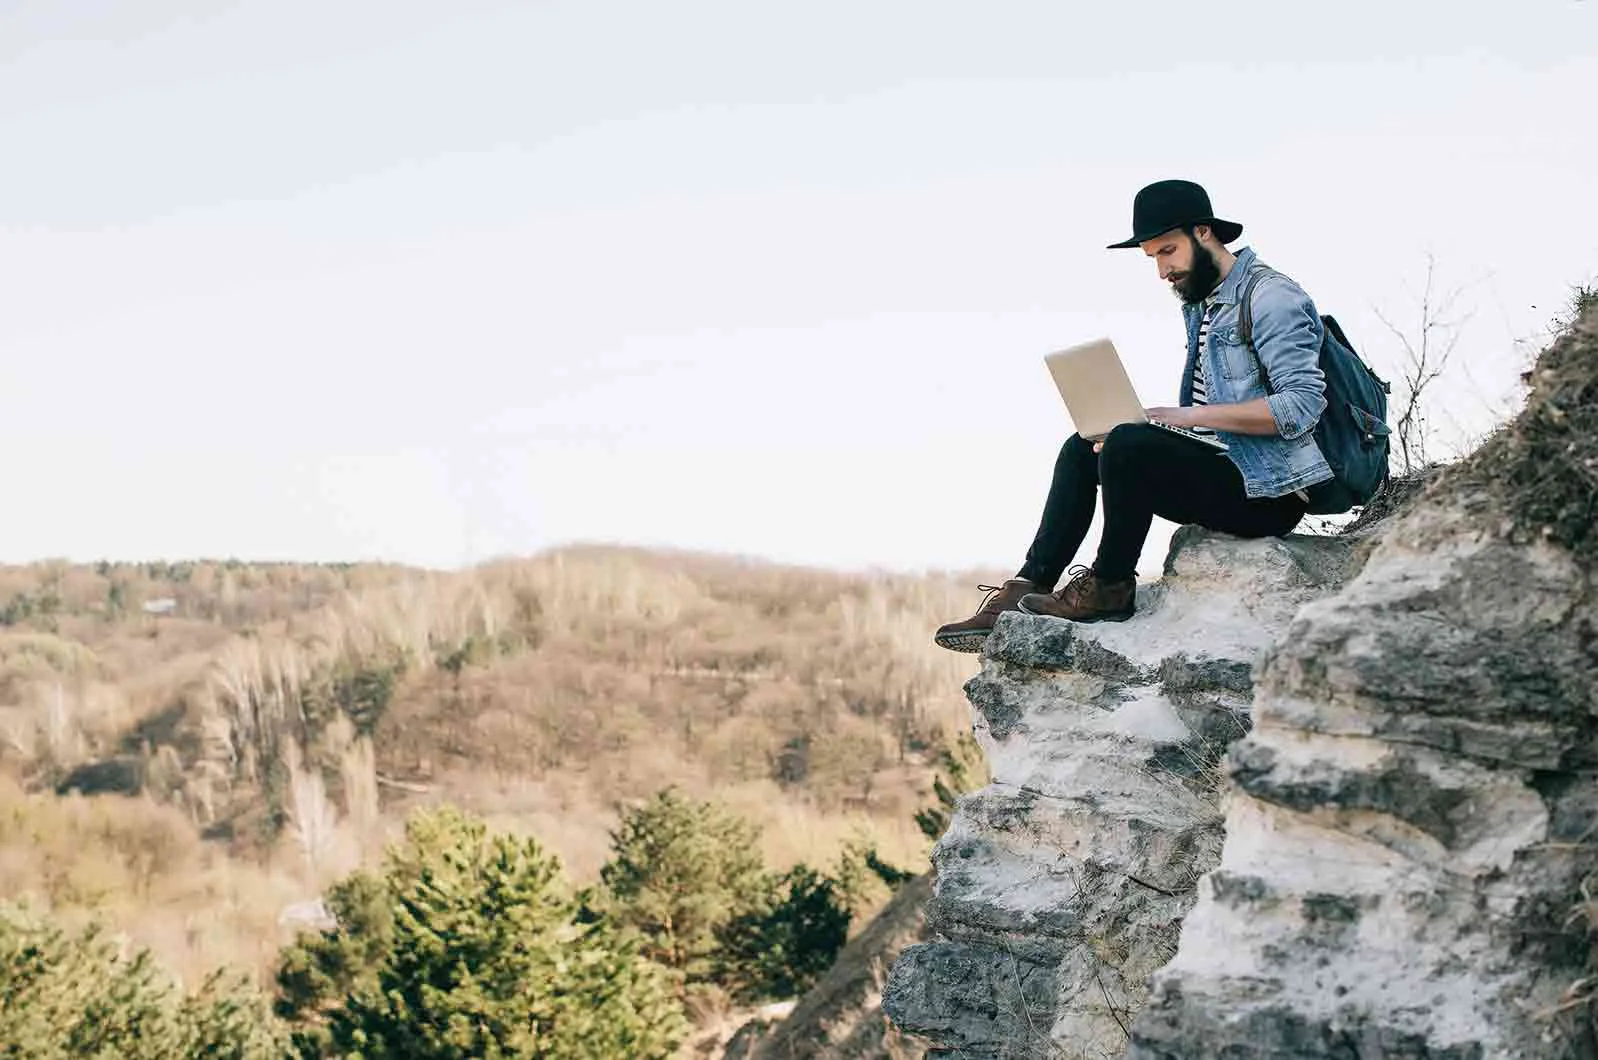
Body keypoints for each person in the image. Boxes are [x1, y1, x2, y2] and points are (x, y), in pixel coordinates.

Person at [934, 179, 1334, 653]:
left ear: (1204, 233)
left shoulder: (1270, 297)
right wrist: (1168, 426)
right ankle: (1028, 584)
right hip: (1229, 471)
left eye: (1168, 252)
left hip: (1270, 492)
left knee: (1128, 443)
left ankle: (1110, 585)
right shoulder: (1206, 302)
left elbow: (1301, 406)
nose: (1163, 271)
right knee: (1087, 444)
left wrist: (1181, 418)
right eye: (1154, 259)